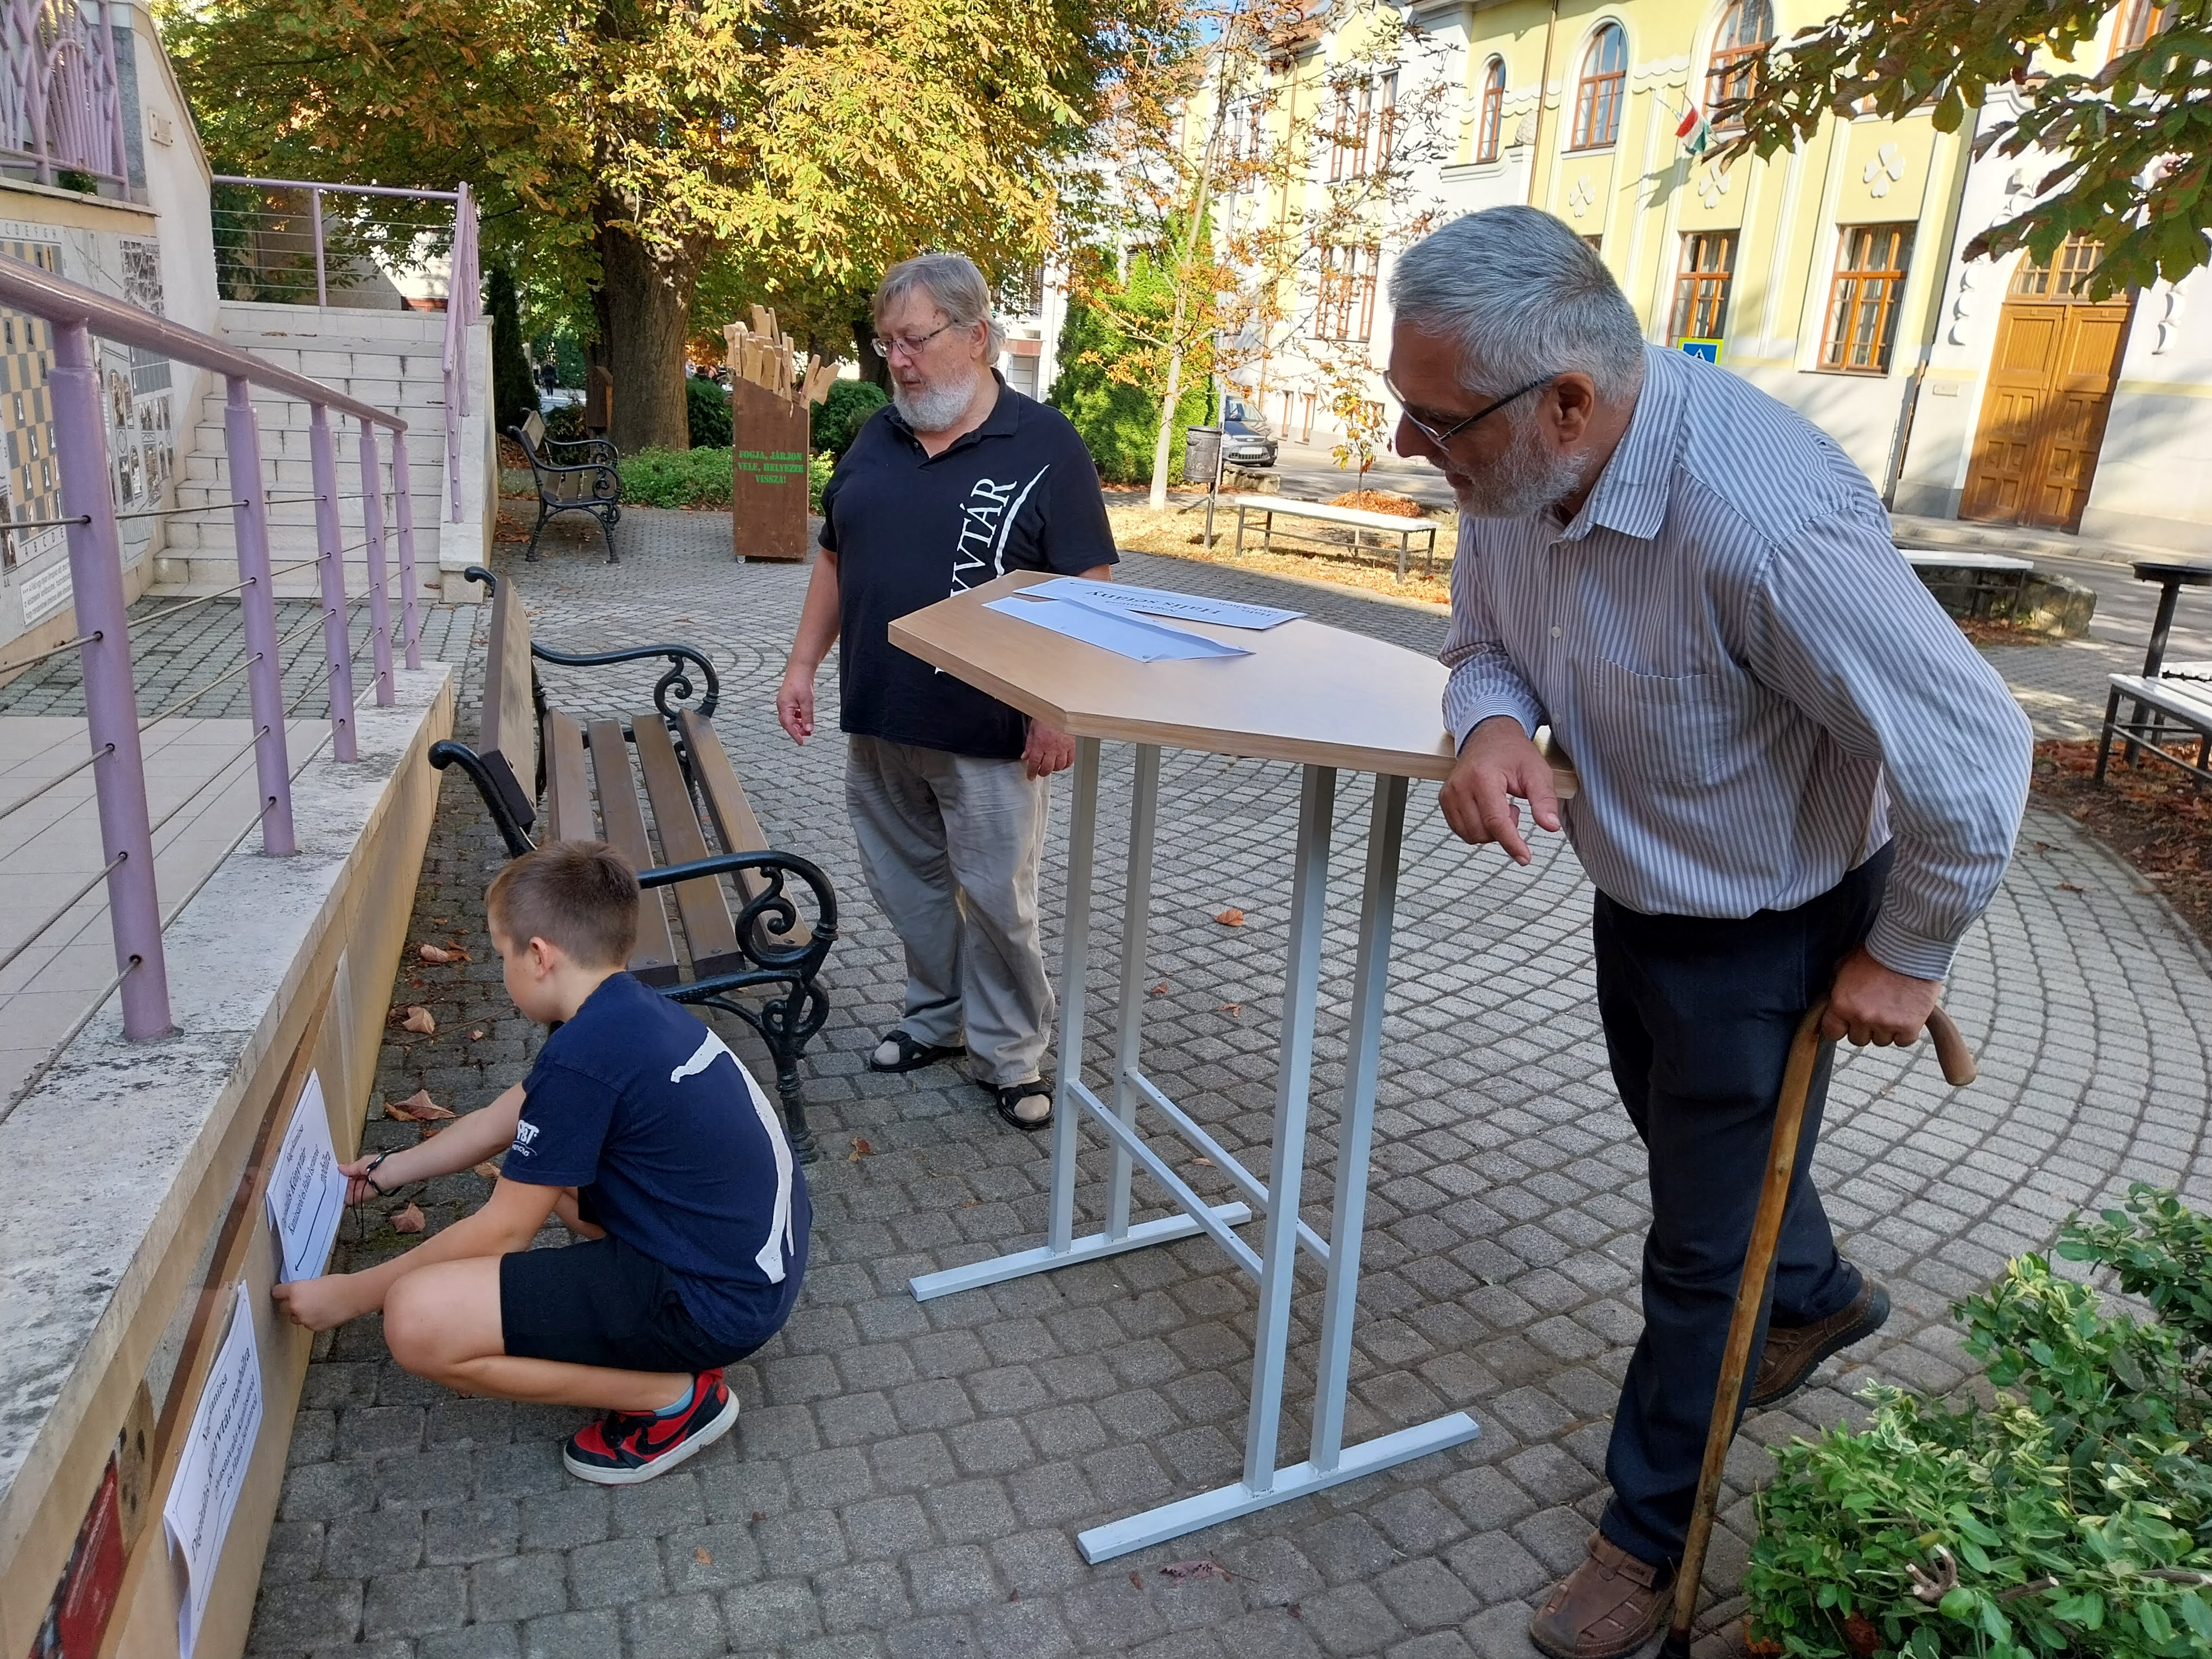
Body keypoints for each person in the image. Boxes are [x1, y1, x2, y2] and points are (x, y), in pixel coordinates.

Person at [1384, 208, 2031, 1659]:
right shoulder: (1515, 468)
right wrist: (1487, 723)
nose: (1405, 446)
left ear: (1566, 400)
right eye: (1401, 407)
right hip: (1643, 895)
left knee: (1692, 1252)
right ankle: (1814, 1295)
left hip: (1775, 924)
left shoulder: (1764, 523)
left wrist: (1907, 952)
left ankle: (1647, 1539)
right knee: (1702, 1166)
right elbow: (1483, 639)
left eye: (1435, 423)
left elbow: (1977, 750)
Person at [272, 840, 807, 1486]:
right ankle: (658, 1353)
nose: (503, 973)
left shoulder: (582, 1059)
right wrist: (391, 1169)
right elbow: (501, 1120)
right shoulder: (625, 1010)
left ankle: (675, 1401)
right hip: (746, 1268)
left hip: (715, 1302)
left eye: (502, 956)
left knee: (414, 1319)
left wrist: (350, 1296)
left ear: (539, 955)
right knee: (554, 1177)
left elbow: (503, 1232)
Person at [776, 253, 1117, 1132]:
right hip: (883, 714)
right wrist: (802, 664)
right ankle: (935, 1017)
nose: (897, 361)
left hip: (992, 730)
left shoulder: (1046, 445)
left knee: (999, 900)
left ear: (976, 336)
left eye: (915, 340)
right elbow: (835, 557)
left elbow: (1091, 586)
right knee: (909, 886)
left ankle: (1011, 1055)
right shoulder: (875, 437)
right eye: (887, 343)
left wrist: (1057, 708)